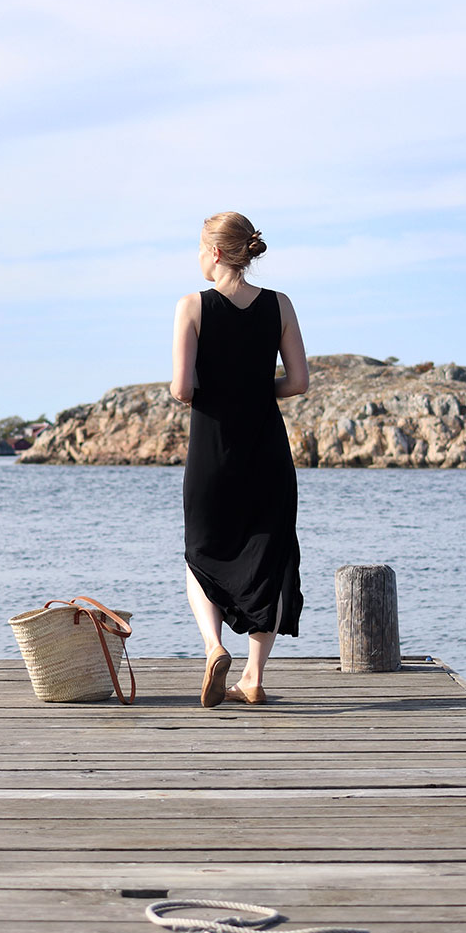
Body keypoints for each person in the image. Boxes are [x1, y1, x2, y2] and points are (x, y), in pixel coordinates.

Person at [171, 213, 309, 708]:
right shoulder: (280, 304)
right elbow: (297, 383)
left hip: (211, 450)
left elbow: (182, 389)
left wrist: (218, 390)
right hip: (267, 449)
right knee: (269, 556)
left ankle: (213, 647)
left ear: (213, 253)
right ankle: (253, 677)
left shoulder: (192, 306)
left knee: (201, 551)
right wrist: (254, 388)